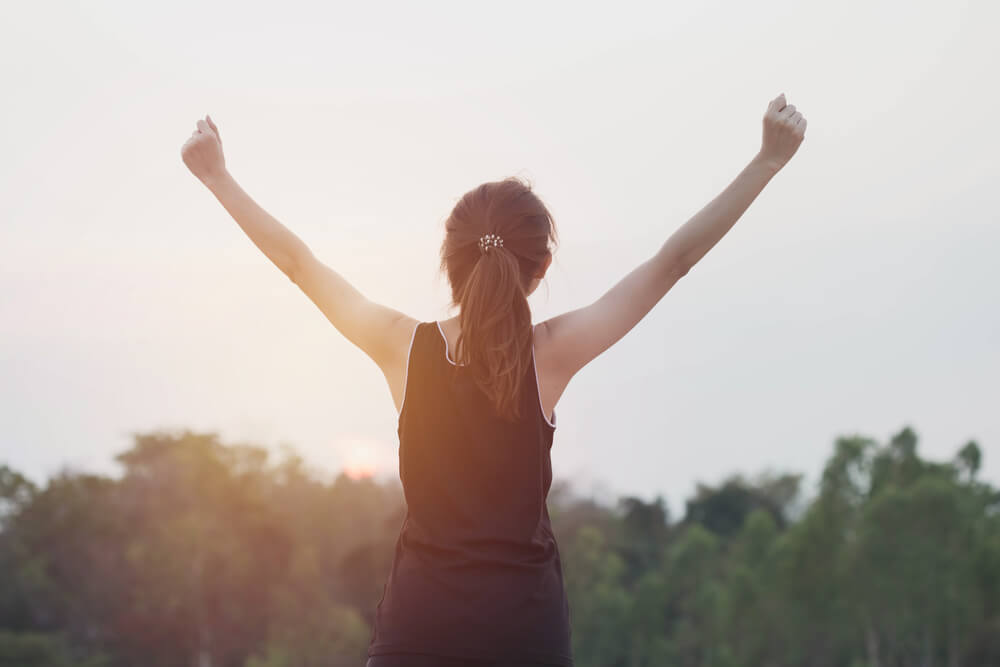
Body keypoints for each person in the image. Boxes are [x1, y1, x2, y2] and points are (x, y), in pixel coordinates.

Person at [180, 93, 806, 667]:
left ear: (449, 262)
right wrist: (767, 162)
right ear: (540, 270)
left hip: (418, 630)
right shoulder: (552, 354)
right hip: (523, 632)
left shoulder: (402, 346)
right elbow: (673, 262)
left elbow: (298, 263)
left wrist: (215, 176)